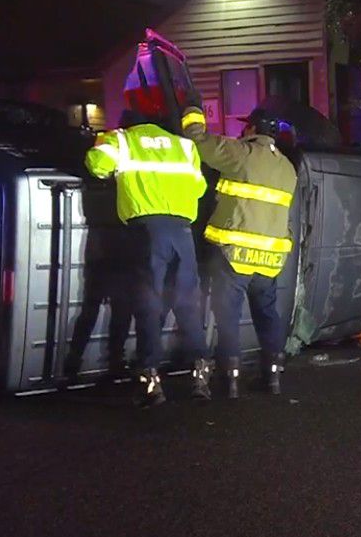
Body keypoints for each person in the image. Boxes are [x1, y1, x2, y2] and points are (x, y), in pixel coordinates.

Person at [84, 110, 211, 408]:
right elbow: (200, 188)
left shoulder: (122, 139)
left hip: (147, 233)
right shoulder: (184, 146)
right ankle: (201, 376)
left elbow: (96, 165)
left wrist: (102, 139)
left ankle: (150, 382)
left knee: (149, 306)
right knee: (187, 305)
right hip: (182, 232)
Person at [179, 101, 298, 399]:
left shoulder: (242, 154)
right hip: (270, 258)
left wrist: (192, 111)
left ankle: (229, 382)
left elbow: (199, 142)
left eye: (247, 125)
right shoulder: (287, 167)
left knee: (227, 315)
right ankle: (273, 379)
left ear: (254, 129)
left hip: (234, 255)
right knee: (267, 315)